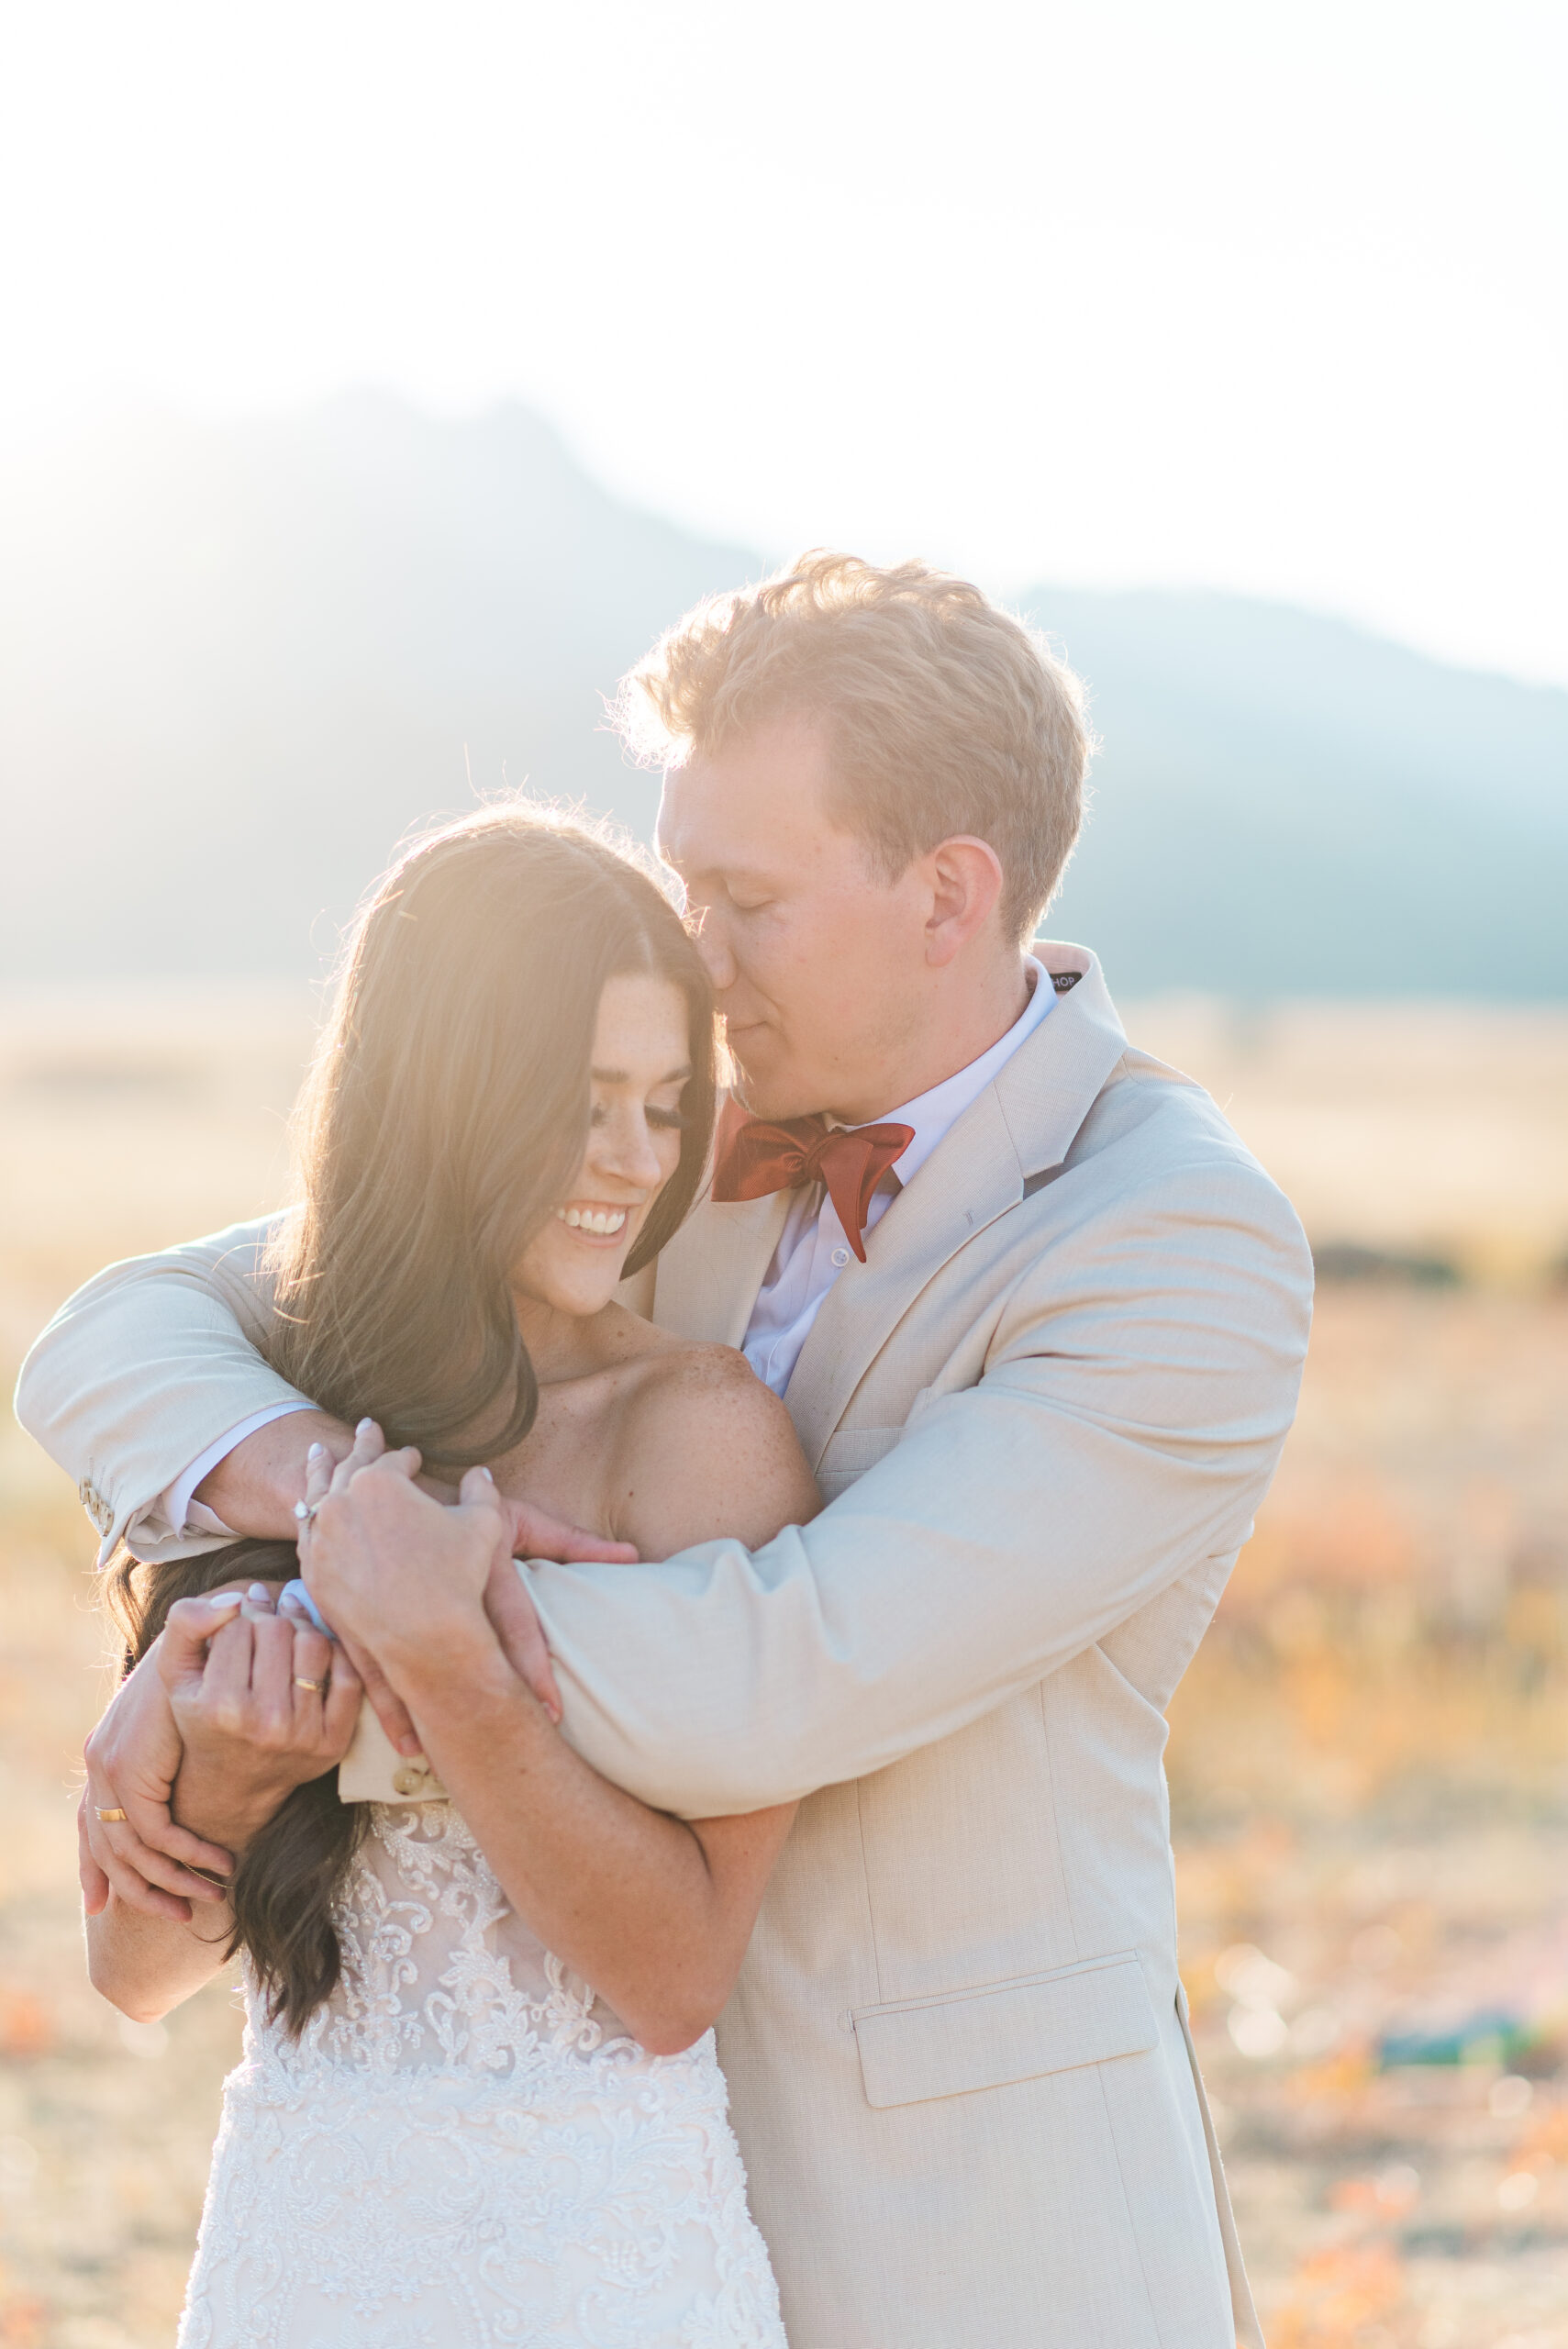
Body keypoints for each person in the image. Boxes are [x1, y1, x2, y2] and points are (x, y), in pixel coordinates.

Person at [19, 553, 1315, 2349]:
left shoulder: (1174, 1241)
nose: (685, 950)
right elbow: (128, 1329)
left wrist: (302, 1663)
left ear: (948, 895)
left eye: (741, 896)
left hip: (963, 2230)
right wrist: (327, 1507)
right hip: (549, 2208)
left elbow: (773, 1667)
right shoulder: (644, 1133)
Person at [70, 808, 817, 2345]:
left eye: (666, 1106)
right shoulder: (278, 1422)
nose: (634, 1163)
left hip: (596, 2261)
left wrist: (445, 1665)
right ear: (446, 1099)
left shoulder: (701, 1443)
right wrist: (225, 1779)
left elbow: (675, 1978)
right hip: (304, 2241)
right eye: (582, 1104)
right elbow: (135, 1973)